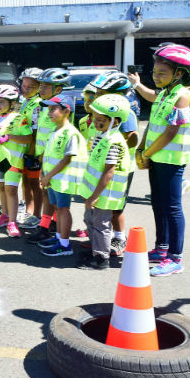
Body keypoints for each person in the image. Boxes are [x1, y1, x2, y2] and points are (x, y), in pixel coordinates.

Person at [135, 44, 190, 277]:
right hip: (157, 157)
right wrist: (142, 148)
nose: (156, 77)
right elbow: (153, 124)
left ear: (179, 74)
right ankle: (161, 248)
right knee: (158, 203)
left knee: (173, 207)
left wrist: (146, 153)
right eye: (154, 72)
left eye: (162, 73)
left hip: (172, 160)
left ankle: (175, 258)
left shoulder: (182, 97)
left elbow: (170, 133)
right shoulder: (164, 94)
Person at [78, 94, 132, 270]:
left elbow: (109, 172)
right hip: (95, 192)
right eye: (95, 118)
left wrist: (94, 196)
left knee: (101, 225)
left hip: (104, 194)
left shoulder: (114, 141)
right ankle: (97, 250)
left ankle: (101, 259)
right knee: (90, 220)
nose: (96, 122)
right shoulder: (102, 136)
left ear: (115, 122)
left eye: (101, 120)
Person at [89, 71, 140, 260]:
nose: (97, 97)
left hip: (118, 168)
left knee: (115, 206)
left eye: (101, 93)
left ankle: (119, 237)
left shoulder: (125, 114)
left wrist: (117, 150)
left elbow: (132, 137)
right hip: (106, 164)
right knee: (105, 206)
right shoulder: (104, 113)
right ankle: (105, 237)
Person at [37, 97, 88, 257]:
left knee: (63, 209)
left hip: (63, 180)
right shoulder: (56, 130)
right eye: (48, 109)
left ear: (67, 111)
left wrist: (48, 176)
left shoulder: (70, 133)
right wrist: (43, 174)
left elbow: (67, 159)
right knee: (58, 209)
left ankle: (65, 245)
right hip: (54, 179)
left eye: (54, 109)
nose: (49, 113)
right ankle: (59, 238)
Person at [26, 68, 70, 244]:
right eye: (41, 85)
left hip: (53, 159)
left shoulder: (61, 108)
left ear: (58, 89)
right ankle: (49, 225)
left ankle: (47, 228)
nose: (41, 89)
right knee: (48, 194)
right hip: (44, 158)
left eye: (46, 86)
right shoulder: (44, 106)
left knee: (51, 195)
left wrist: (43, 156)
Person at [0, 84, 32, 238]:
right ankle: (4, 215)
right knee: (2, 189)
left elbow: (28, 138)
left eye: (2, 102)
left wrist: (9, 137)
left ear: (12, 103)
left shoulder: (19, 119)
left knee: (11, 190)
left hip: (13, 160)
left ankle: (12, 222)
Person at [18, 67, 45, 229]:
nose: (25, 89)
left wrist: (31, 153)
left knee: (35, 183)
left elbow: (35, 132)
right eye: (24, 86)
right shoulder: (25, 101)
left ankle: (37, 215)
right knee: (25, 182)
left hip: (33, 150)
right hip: (23, 149)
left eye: (30, 87)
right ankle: (28, 210)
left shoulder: (37, 104)